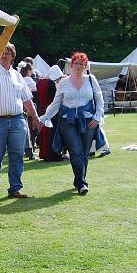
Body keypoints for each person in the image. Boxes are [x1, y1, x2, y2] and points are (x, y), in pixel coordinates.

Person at [0, 42, 42, 198]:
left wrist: (35, 117)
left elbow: (27, 99)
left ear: (12, 56)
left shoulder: (18, 76)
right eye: (1, 52)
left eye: (7, 53)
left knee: (17, 155)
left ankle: (15, 188)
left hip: (17, 120)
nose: (4, 55)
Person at [38, 52, 105, 195]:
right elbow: (56, 103)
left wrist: (98, 117)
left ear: (85, 66)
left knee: (84, 153)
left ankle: (78, 180)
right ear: (71, 65)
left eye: (81, 63)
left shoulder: (91, 79)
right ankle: (82, 184)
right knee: (76, 151)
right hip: (68, 122)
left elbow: (99, 100)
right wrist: (43, 118)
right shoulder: (64, 82)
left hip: (88, 121)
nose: (78, 66)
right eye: (76, 63)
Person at [20, 63, 39, 159]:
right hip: (27, 106)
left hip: (20, 106)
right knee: (30, 129)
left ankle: (25, 150)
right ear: (28, 71)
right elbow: (35, 88)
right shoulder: (28, 79)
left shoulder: (20, 78)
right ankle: (30, 151)